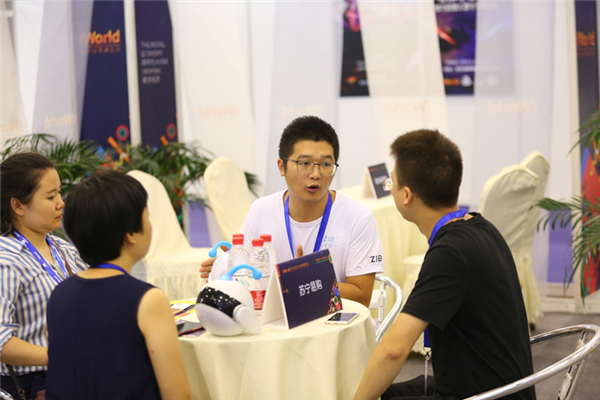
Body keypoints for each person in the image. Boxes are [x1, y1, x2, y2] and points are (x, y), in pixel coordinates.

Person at [353, 129, 535, 400]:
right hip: (499, 385)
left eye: (392, 183)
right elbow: (515, 283)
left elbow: (394, 350)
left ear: (406, 195)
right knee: (381, 391)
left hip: (483, 394)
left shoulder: (450, 252)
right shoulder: (482, 226)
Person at [201, 116, 384, 307]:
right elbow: (248, 276)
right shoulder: (261, 211)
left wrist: (302, 280)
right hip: (273, 319)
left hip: (335, 320)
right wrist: (228, 268)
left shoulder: (358, 218)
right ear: (282, 167)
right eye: (304, 163)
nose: (315, 174)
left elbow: (361, 296)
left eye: (325, 164)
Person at [44, 170, 191, 400]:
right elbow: (178, 395)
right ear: (131, 233)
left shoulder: (59, 294)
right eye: (147, 216)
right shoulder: (148, 300)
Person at [0, 152, 88, 400]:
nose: (61, 203)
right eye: (50, 197)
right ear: (18, 206)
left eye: (59, 193)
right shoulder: (6, 260)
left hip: (75, 373)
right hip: (32, 384)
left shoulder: (64, 248)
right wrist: (60, 356)